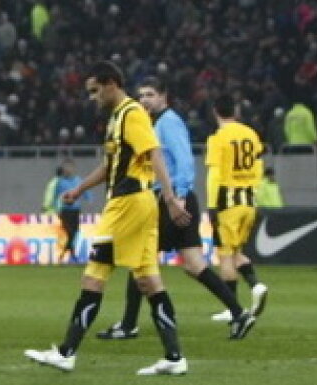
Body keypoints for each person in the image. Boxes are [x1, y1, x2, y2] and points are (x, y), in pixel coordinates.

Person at [25, 61, 191, 376]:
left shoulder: (132, 114)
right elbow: (110, 167)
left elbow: (154, 152)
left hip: (128, 205)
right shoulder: (117, 118)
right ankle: (174, 357)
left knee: (95, 274)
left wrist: (170, 197)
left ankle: (66, 352)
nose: (92, 97)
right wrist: (79, 189)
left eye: (95, 90)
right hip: (134, 203)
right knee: (147, 279)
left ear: (111, 83)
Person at [97, 77, 254, 340]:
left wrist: (177, 197)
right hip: (174, 198)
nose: (144, 99)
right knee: (194, 264)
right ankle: (239, 313)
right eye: (141, 95)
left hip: (169, 200)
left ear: (163, 97)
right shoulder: (154, 122)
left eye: (150, 94)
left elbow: (184, 161)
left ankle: (128, 324)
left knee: (139, 257)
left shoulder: (169, 122)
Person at [206, 94, 269, 323]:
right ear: (237, 111)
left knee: (224, 255)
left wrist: (212, 206)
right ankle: (256, 285)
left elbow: (214, 175)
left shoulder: (218, 138)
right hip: (248, 202)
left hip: (228, 204)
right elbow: (258, 168)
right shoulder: (251, 134)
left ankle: (232, 309)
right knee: (235, 252)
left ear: (215, 112)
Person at [43, 160, 87, 263]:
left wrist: (86, 198)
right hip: (65, 211)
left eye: (70, 168)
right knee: (70, 232)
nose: (68, 170)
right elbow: (56, 197)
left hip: (75, 210)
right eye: (66, 168)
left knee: (74, 232)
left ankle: (67, 255)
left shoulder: (78, 180)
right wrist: (55, 208)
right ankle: (65, 255)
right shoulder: (59, 182)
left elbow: (84, 192)